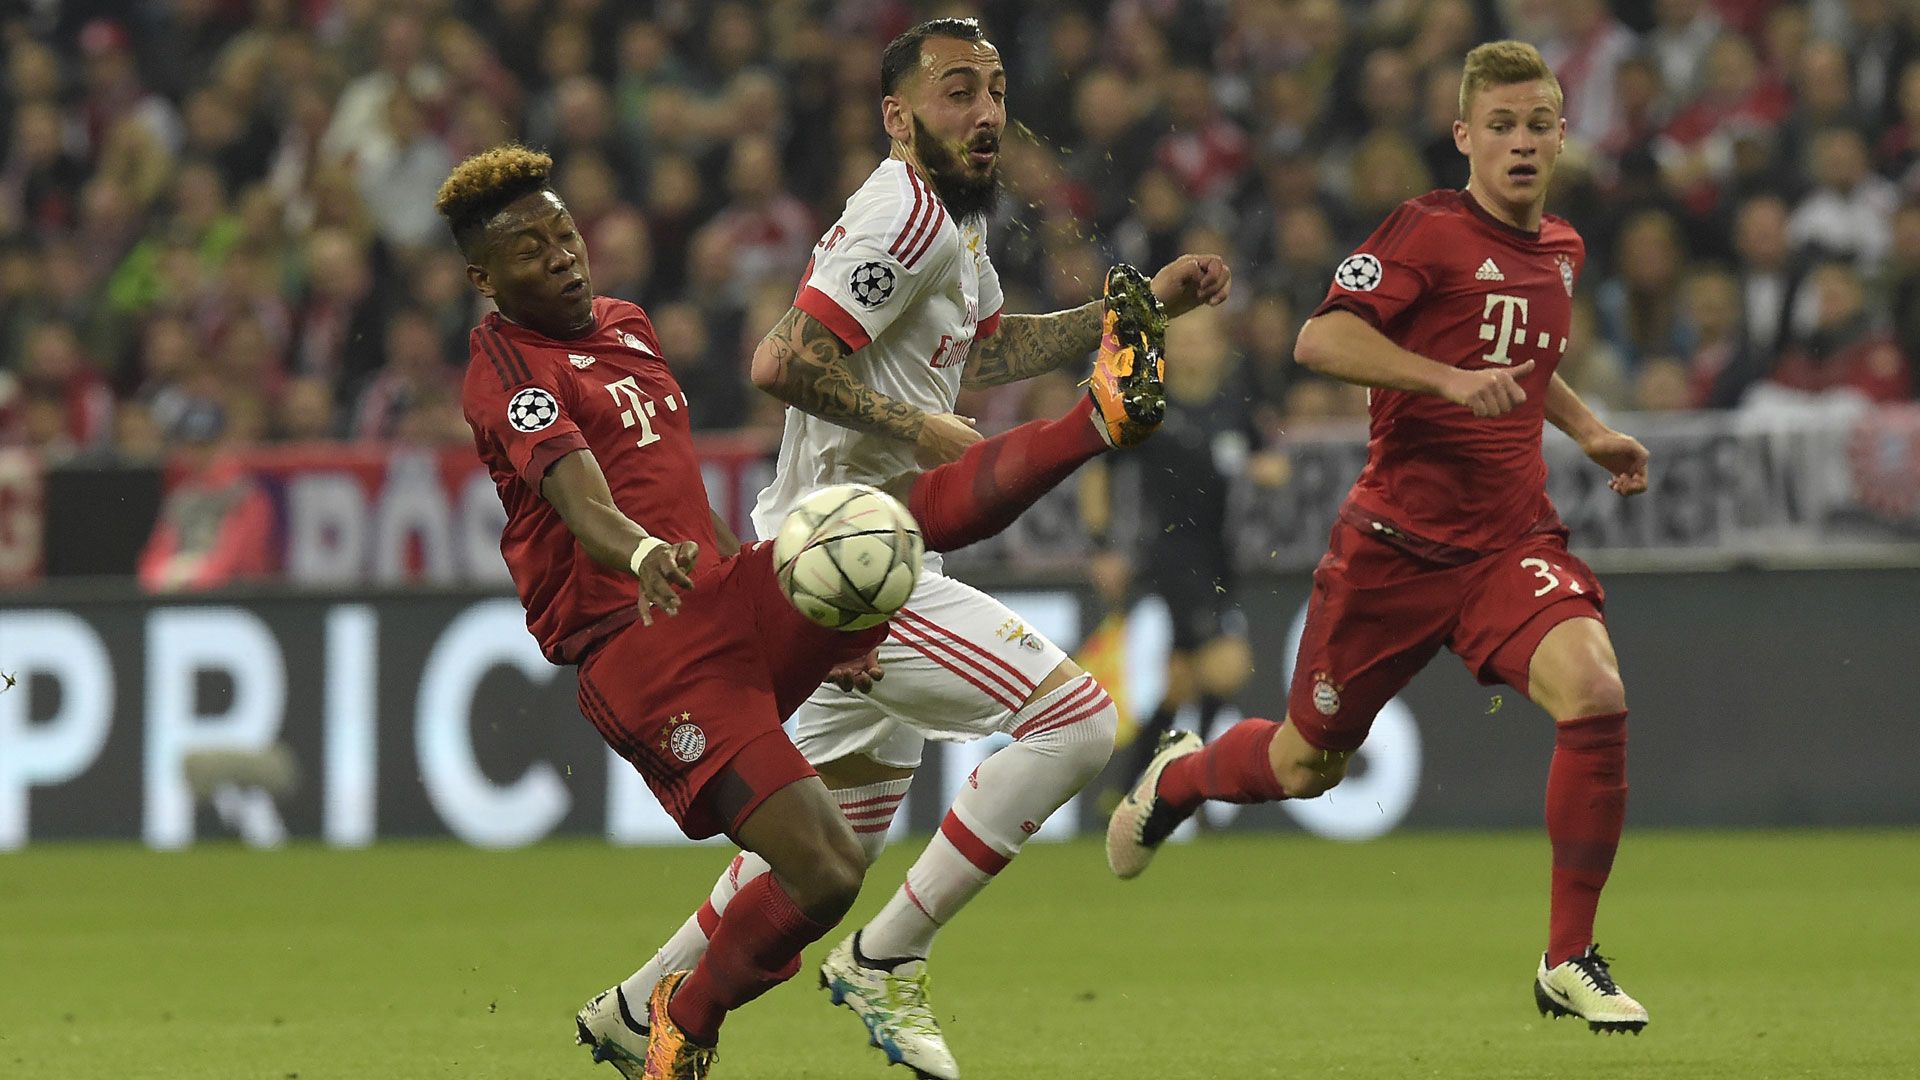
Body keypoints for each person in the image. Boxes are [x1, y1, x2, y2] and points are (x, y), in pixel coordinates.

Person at [436, 144, 1173, 1080]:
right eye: (528, 249)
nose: (560, 256)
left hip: (719, 593)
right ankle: (688, 1014)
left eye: (564, 232)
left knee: (870, 544)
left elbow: (671, 488)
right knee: (827, 869)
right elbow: (585, 503)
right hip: (642, 649)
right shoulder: (505, 371)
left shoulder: (625, 323)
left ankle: (1095, 419)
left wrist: (816, 623)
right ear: (483, 279)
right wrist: (645, 554)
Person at [617, 18, 1231, 1080]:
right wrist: (913, 428)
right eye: (957, 93)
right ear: (897, 115)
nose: (985, 112)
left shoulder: (954, 222)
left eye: (993, 90)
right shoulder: (903, 215)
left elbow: (987, 350)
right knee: (1077, 722)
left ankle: (639, 1007)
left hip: (853, 554)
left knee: (828, 844)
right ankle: (886, 955)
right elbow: (779, 361)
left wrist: (1132, 311)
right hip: (847, 561)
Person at [1106, 41, 1654, 1036]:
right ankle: (1179, 774)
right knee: (1305, 764)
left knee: (1597, 691)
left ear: (1563, 133)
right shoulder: (1424, 230)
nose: (1522, 143)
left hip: (1506, 542)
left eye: (1538, 125)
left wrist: (1590, 429)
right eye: (1502, 127)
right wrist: (1443, 381)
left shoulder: (1562, 249)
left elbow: (1523, 363)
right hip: (1393, 548)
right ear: (1464, 137)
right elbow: (1323, 339)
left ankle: (1568, 955)